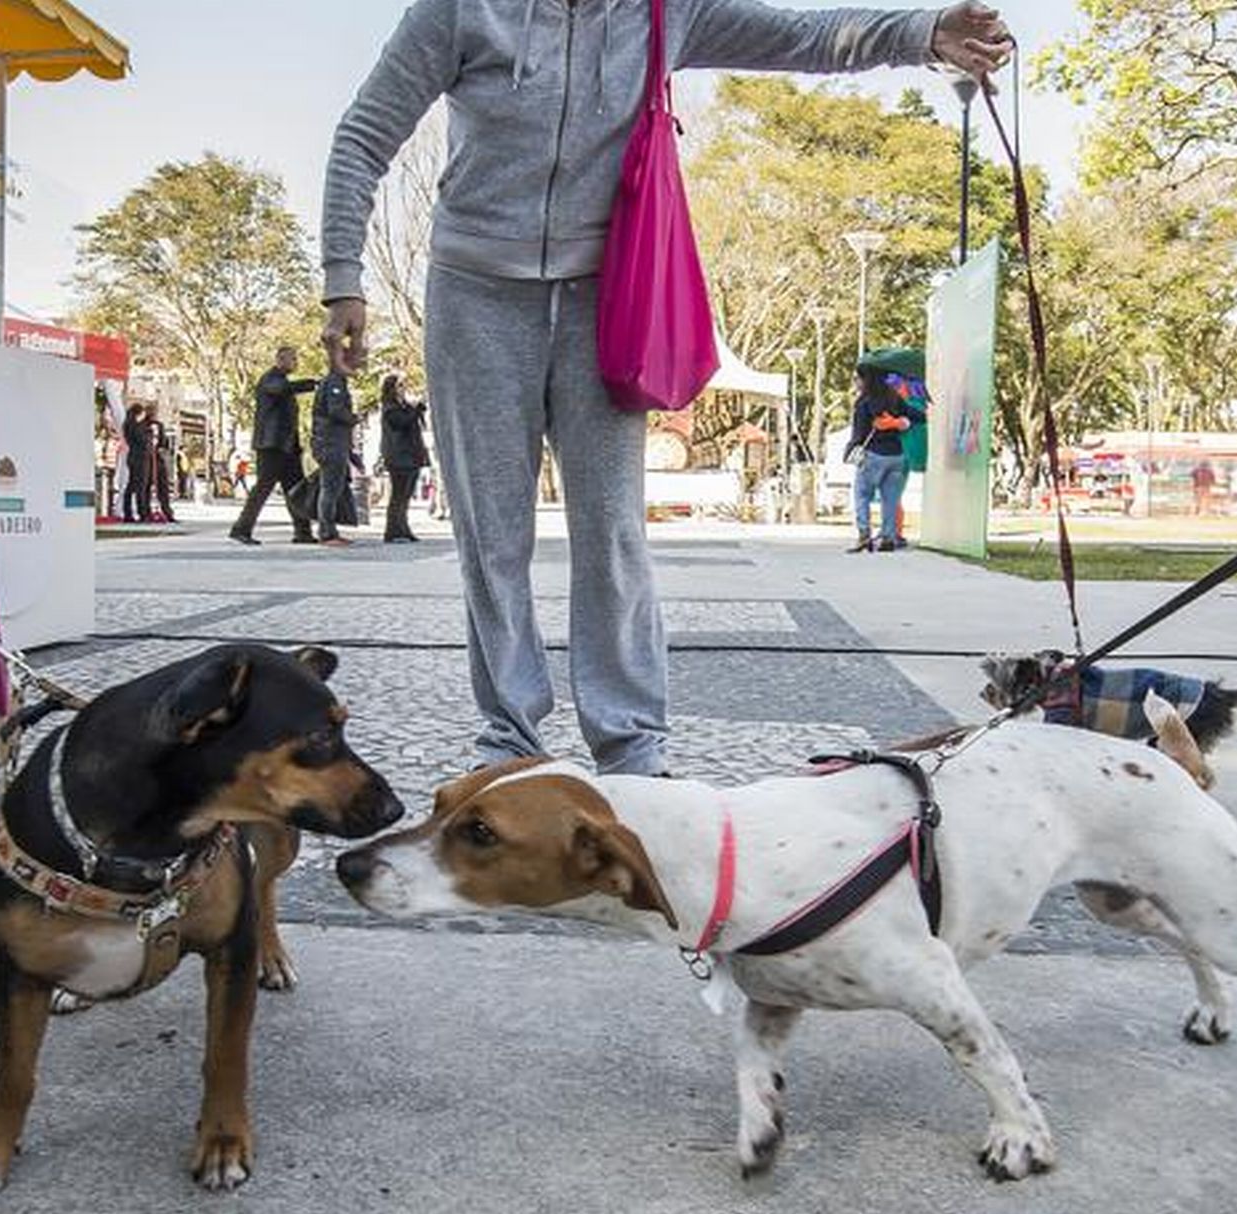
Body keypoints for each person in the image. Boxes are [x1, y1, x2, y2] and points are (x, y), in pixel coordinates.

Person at [321, 0, 1013, 773]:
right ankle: (508, 743)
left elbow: (806, 37)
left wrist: (922, 34)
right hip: (476, 293)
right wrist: (342, 278)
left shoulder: (663, 12)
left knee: (614, 534)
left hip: (605, 298)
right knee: (492, 537)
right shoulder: (461, 11)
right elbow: (364, 134)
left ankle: (631, 745)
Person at [230, 346, 318, 545]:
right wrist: (312, 384)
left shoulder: (282, 381)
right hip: (271, 446)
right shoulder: (270, 379)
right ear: (280, 360)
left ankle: (302, 531)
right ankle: (241, 529)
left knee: (295, 489)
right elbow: (280, 389)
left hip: (287, 447)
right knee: (263, 487)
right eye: (292, 359)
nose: (296, 363)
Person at [846, 368, 922, 553]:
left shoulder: (863, 402)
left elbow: (858, 433)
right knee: (890, 499)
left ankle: (864, 535)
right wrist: (900, 422)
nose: (856, 382)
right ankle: (888, 538)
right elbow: (919, 416)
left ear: (866, 380)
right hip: (897, 457)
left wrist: (850, 449)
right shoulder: (895, 399)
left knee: (862, 495)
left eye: (857, 378)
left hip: (874, 455)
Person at [311, 364, 360, 545]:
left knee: (332, 488)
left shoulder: (336, 381)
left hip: (333, 442)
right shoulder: (334, 381)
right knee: (330, 488)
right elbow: (336, 410)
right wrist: (353, 418)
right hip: (330, 442)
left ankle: (330, 530)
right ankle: (326, 533)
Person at [378, 375, 427, 543]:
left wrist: (415, 409)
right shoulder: (390, 408)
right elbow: (400, 423)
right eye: (399, 385)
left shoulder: (403, 405)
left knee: (405, 496)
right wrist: (416, 410)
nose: (403, 388)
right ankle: (392, 530)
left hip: (410, 455)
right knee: (398, 495)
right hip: (399, 456)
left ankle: (403, 528)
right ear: (391, 388)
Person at [119, 402, 153, 524]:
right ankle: (142, 513)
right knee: (141, 486)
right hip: (140, 458)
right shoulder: (136, 426)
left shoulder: (128, 424)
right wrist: (149, 435)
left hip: (133, 457)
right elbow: (144, 441)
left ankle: (128, 512)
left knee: (131, 485)